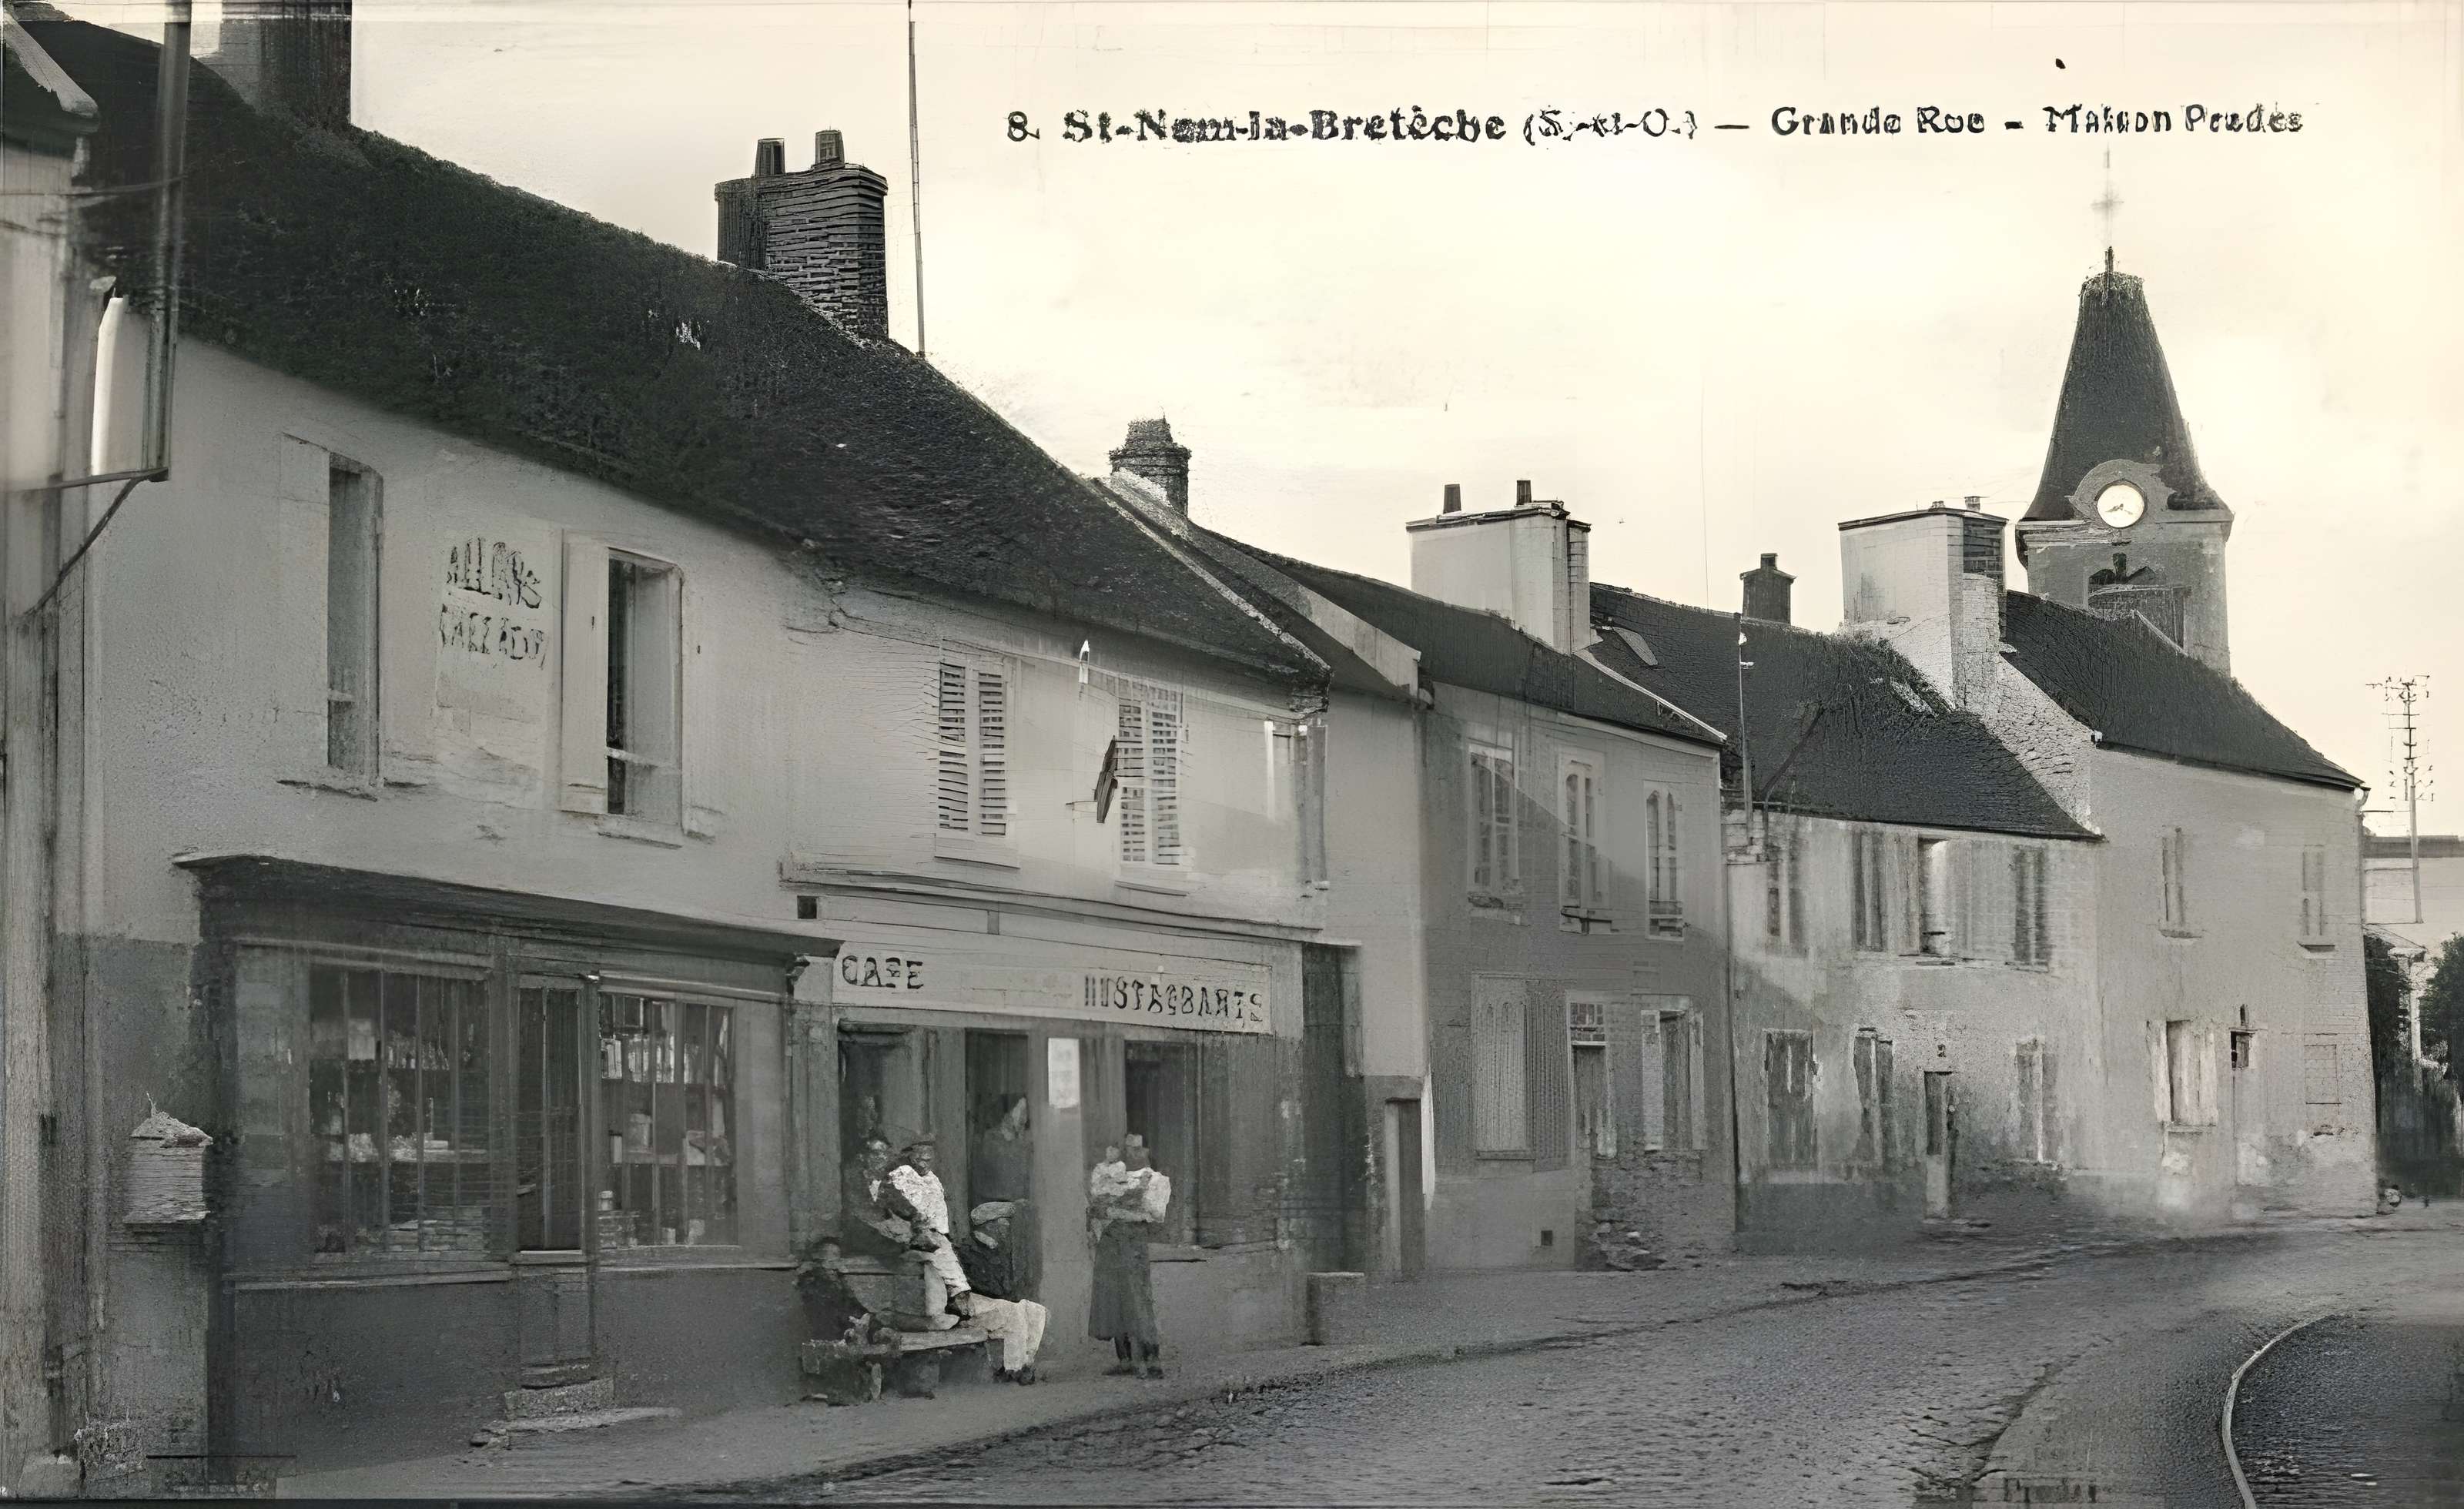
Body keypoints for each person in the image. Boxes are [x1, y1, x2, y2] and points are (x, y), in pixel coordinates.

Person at [1087, 1133, 1171, 1379]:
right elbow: (1096, 1207)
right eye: (1128, 1147)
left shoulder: (1157, 1180)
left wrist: (1116, 1208)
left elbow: (1156, 1214)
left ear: (1148, 1151)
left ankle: (1152, 1358)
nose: (1133, 1152)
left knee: (1138, 1298)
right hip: (1110, 1242)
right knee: (1112, 1299)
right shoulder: (1111, 1175)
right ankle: (1124, 1360)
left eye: (1138, 1147)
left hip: (1134, 1243)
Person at [954, 1200, 1049, 1384]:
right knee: (1014, 1312)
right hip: (973, 1305)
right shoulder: (968, 1250)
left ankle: (1027, 1364)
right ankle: (1014, 1369)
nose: (1007, 1228)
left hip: (993, 1304)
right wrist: (1009, 1298)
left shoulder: (996, 1249)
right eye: (1003, 1223)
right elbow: (982, 1286)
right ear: (989, 1225)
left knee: (1036, 1310)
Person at [886, 1137, 972, 1314]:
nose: (925, 1164)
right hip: (914, 1232)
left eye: (929, 1160)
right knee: (945, 1264)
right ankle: (957, 1298)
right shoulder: (902, 1175)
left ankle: (959, 1298)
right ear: (911, 1156)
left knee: (949, 1262)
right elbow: (907, 1208)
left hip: (937, 1232)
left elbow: (938, 1207)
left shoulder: (932, 1178)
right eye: (921, 1159)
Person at [974, 1095, 1033, 1205]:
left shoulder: (1022, 1143)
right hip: (992, 1203)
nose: (1023, 1118)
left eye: (1025, 1113)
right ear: (1007, 1115)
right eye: (1019, 1111)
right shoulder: (991, 1139)